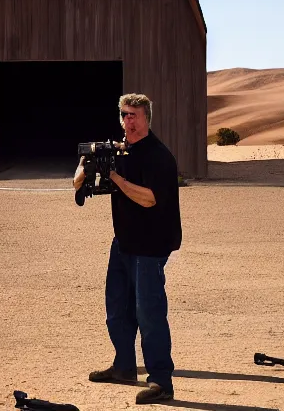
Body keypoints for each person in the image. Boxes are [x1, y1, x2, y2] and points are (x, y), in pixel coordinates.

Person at [72, 93, 182, 405]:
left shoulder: (158, 156)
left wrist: (115, 177)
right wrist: (89, 162)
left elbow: (149, 198)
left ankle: (161, 382)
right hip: (124, 242)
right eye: (124, 115)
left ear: (147, 118)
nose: (128, 121)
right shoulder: (119, 151)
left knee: (149, 314)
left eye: (134, 115)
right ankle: (123, 367)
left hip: (151, 246)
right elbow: (78, 182)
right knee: (117, 310)